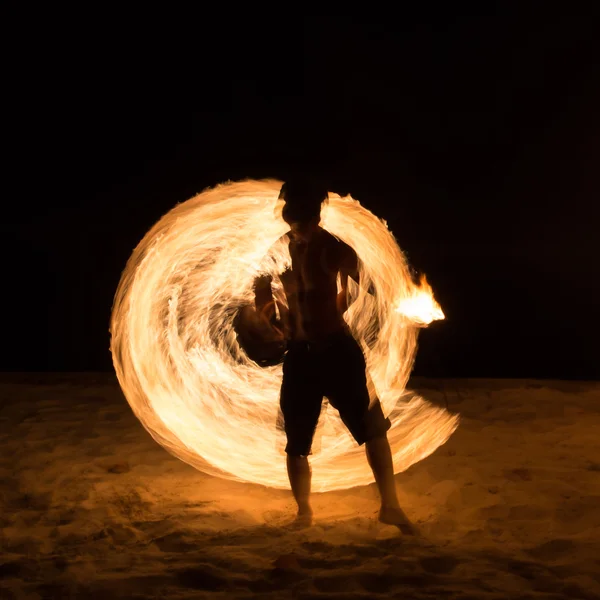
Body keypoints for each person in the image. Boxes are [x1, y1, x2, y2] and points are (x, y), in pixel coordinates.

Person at [254, 179, 414, 532]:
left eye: (306, 218)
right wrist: (275, 323)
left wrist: (408, 304)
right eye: (295, 219)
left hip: (338, 352)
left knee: (373, 429)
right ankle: (304, 514)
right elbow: (261, 296)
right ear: (287, 215)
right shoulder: (276, 251)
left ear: (316, 214)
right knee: (296, 443)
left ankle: (390, 507)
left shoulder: (336, 249)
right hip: (300, 357)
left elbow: (370, 286)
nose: (301, 227)